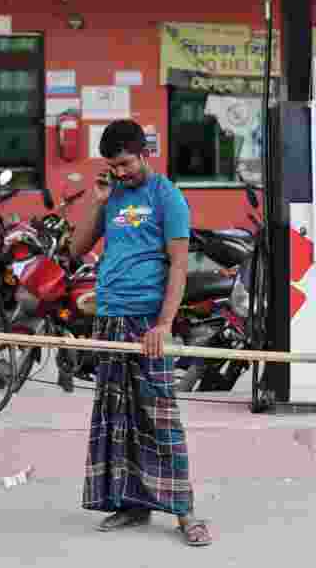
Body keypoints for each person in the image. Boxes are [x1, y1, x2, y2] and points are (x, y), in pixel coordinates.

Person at [69, 119, 213, 547]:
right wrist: (97, 202)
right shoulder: (111, 194)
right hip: (110, 317)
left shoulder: (167, 197)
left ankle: (184, 511)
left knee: (159, 416)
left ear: (144, 153)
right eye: (113, 166)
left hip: (147, 321)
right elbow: (76, 249)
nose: (120, 172)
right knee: (117, 417)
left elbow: (180, 266)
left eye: (126, 163)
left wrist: (164, 324)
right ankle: (132, 503)